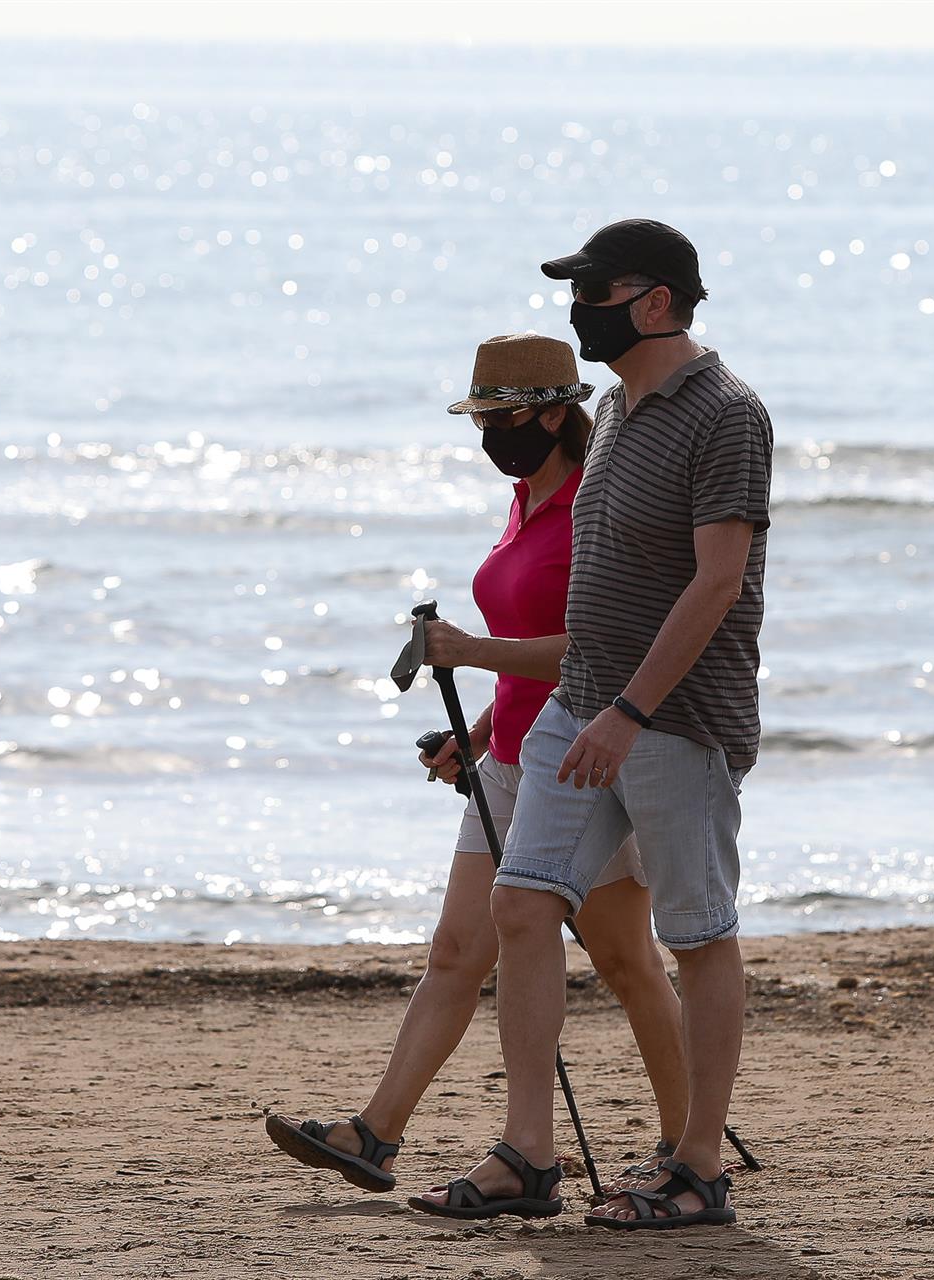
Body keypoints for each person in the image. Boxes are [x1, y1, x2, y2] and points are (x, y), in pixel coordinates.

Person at [264, 333, 691, 1198]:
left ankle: (688, 1143)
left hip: (583, 760)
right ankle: (374, 1134)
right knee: (457, 950)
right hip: (511, 756)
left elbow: (602, 651)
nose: (487, 436)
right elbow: (529, 650)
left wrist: (471, 649)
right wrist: (485, 725)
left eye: (496, 418)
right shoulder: (524, 498)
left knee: (625, 962)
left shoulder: (590, 506)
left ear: (545, 412)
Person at [411, 219, 773, 1230]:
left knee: (695, 934)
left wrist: (629, 708)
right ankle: (530, 1151)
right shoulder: (613, 408)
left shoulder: (727, 414)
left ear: (654, 301)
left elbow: (718, 580)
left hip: (677, 719)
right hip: (585, 709)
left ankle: (698, 1165)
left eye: (594, 291)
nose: (580, 311)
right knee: (521, 907)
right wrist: (518, 715)